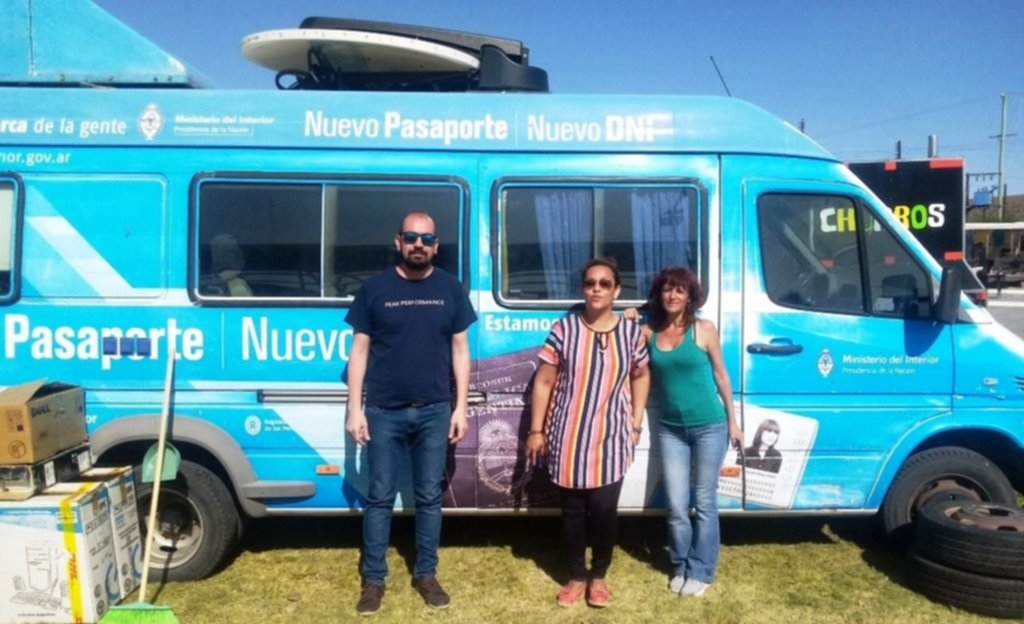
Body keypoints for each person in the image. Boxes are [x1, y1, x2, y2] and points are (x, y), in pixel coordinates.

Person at [345, 212, 477, 616]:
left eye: (427, 238)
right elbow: (359, 351)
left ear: (436, 245)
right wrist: (354, 409)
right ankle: (374, 580)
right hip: (383, 411)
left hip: (435, 411)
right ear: (398, 241)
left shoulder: (451, 289)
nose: (419, 244)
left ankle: (426, 574)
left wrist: (460, 407)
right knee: (379, 497)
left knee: (429, 497)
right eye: (411, 237)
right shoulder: (374, 289)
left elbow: (460, 350)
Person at [525, 258, 650, 609]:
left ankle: (599, 575)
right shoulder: (564, 329)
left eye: (604, 283)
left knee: (605, 511)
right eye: (590, 283)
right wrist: (536, 430)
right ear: (583, 288)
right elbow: (544, 381)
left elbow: (641, 375)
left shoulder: (631, 333)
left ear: (616, 291)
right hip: (567, 436)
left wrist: (636, 422)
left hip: (612, 437)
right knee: (573, 512)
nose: (596, 289)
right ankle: (577, 575)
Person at [628, 266, 742, 598]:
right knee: (676, 506)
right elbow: (624, 357)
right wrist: (628, 318)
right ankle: (680, 566)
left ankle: (702, 571)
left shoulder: (703, 329)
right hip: (671, 430)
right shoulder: (648, 332)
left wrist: (733, 422)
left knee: (704, 502)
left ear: (690, 296)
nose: (673, 295)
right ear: (659, 294)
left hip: (710, 426)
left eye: (680, 290)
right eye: (667, 289)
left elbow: (721, 376)